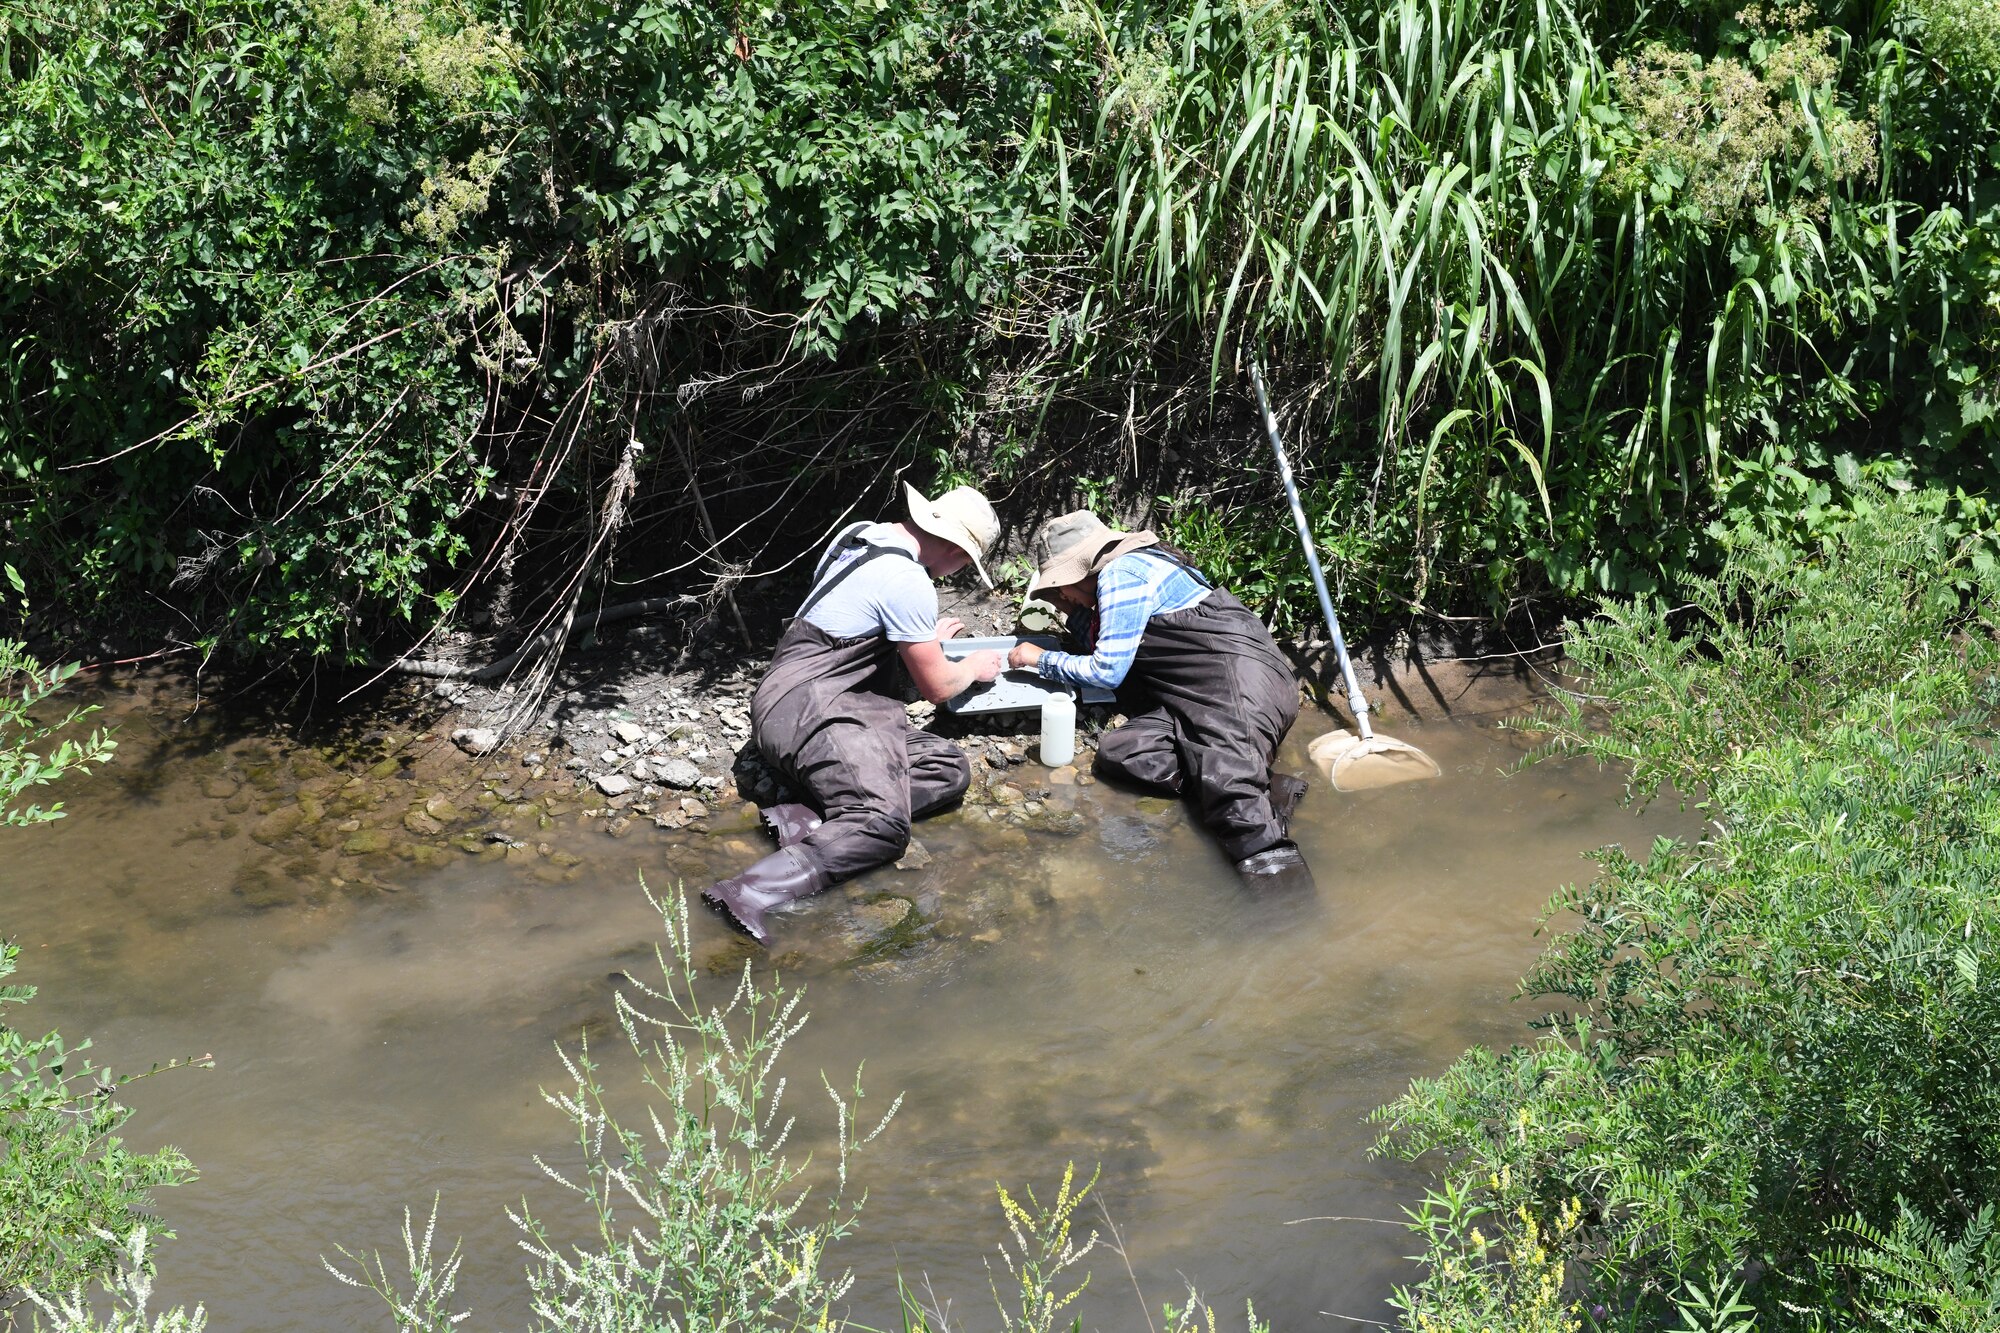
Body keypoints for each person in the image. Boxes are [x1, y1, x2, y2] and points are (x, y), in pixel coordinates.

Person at [703, 484, 1007, 944]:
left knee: (947, 768)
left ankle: (803, 820)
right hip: (815, 710)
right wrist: (971, 668)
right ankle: (746, 892)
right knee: (883, 826)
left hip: (787, 699)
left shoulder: (861, 536)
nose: (960, 571)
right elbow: (938, 687)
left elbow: (858, 619)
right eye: (965, 561)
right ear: (952, 546)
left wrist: (925, 634)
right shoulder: (909, 582)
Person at [1007, 511, 1313, 889]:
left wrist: (1037, 659)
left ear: (1083, 568)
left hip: (1239, 690)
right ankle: (1269, 786)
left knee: (1236, 807)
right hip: (1197, 697)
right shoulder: (1122, 576)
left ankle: (1292, 915)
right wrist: (1073, 611)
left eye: (1062, 587)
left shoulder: (1123, 575)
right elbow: (1110, 645)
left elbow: (1105, 671)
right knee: (1124, 751)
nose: (1061, 596)